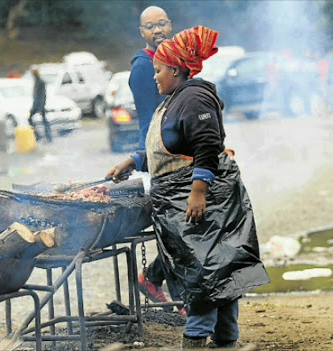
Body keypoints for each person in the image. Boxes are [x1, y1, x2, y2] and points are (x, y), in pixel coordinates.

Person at [107, 26, 269, 349]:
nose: (154, 77)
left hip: (202, 204)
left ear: (177, 70)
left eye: (159, 71)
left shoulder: (194, 97)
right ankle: (226, 340)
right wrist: (134, 160)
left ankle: (196, 340)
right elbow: (171, 145)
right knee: (218, 273)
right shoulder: (175, 100)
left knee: (203, 276)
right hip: (181, 201)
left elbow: (207, 144)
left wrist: (198, 192)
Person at [129, 5, 183, 310]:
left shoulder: (174, 59)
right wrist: (142, 158)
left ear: (170, 25)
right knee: (172, 228)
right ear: (142, 33)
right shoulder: (143, 67)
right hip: (156, 156)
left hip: (176, 154)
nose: (157, 30)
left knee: (179, 226)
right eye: (150, 26)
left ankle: (151, 278)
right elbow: (152, 119)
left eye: (162, 24)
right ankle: (182, 300)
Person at [29, 68, 52, 143]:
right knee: (41, 121)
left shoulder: (41, 82)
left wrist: (40, 107)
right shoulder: (37, 82)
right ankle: (40, 136)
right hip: (37, 104)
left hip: (39, 105)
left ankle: (47, 137)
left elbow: (42, 95)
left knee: (44, 121)